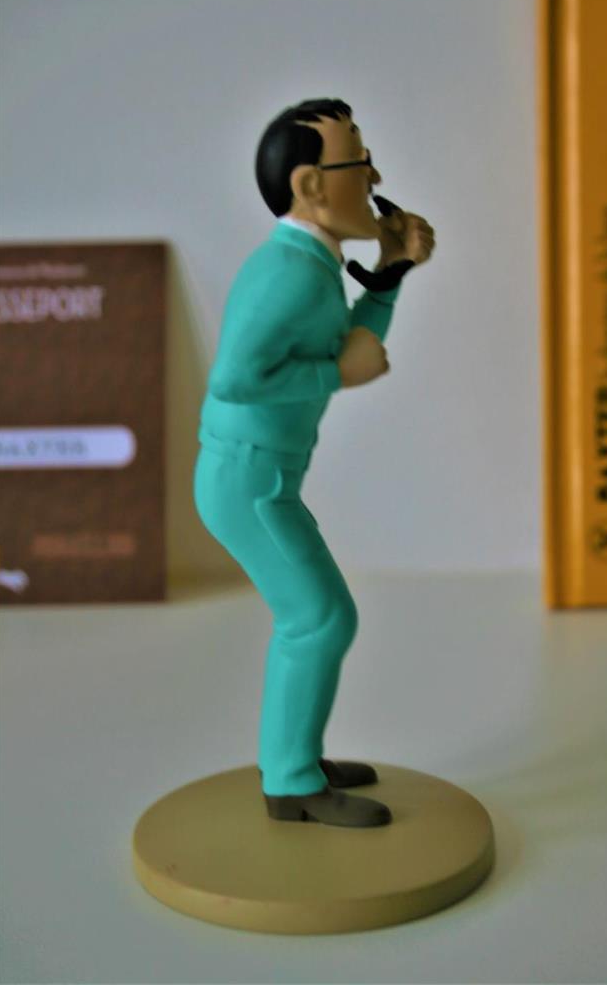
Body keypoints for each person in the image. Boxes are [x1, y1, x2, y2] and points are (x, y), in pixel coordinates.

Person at [194, 98, 435, 827]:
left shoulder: (311, 264)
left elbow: (348, 345)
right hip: (248, 479)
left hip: (265, 475)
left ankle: (295, 758)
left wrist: (389, 274)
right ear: (310, 186)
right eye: (359, 162)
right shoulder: (289, 274)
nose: (375, 178)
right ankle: (292, 780)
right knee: (319, 620)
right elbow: (234, 380)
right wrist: (337, 375)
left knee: (317, 618)